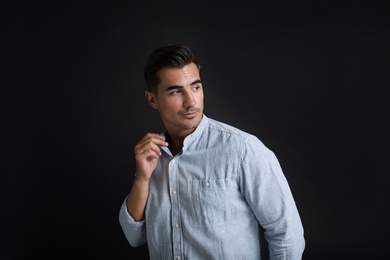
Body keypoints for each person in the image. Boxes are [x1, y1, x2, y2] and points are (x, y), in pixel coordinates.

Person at [119, 44, 305, 259]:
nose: (191, 102)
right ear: (152, 99)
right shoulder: (152, 157)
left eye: (195, 87)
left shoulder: (243, 149)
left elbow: (287, 235)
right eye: (176, 91)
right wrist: (142, 178)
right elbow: (134, 237)